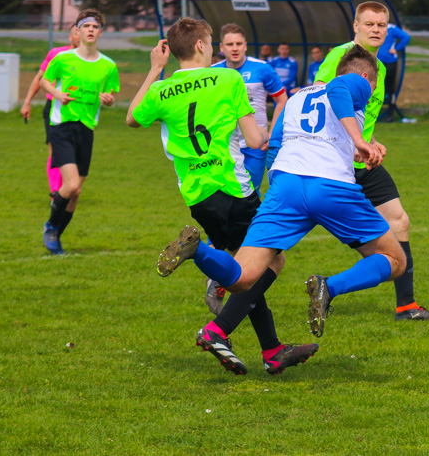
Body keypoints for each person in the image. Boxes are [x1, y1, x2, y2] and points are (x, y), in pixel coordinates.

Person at [155, 45, 407, 351]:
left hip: (285, 185)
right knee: (395, 260)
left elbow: (274, 143)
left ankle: (199, 251)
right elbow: (341, 88)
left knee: (243, 278)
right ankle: (330, 286)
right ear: (367, 77)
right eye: (373, 85)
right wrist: (358, 141)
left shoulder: (298, 96)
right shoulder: (354, 82)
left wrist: (278, 183)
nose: (372, 91)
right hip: (329, 185)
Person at [127, 18, 317, 376]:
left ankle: (272, 350)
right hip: (234, 187)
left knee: (246, 270)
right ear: (200, 45)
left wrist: (155, 70)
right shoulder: (228, 78)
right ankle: (215, 320)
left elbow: (132, 119)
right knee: (271, 264)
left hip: (197, 196)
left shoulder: (162, 90)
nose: (214, 47)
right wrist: (267, 131)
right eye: (211, 41)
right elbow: (255, 138)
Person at [315, 1, 429, 321]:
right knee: (285, 237)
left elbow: (358, 114)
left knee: (399, 221)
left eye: (382, 25)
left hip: (363, 162)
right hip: (332, 164)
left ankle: (407, 306)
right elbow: (318, 99)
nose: (376, 30)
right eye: (370, 24)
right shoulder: (340, 56)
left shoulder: (380, 67)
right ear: (356, 27)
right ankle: (232, 279)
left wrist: (369, 142)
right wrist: (353, 142)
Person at [39, 9, 120, 255]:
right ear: (78, 31)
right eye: (86, 26)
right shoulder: (63, 59)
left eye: (95, 27)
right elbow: (44, 80)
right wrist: (58, 94)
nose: (90, 30)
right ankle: (51, 226)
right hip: (61, 126)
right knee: (71, 185)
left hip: (86, 129)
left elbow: (110, 97)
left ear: (100, 32)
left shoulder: (108, 66)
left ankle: (56, 236)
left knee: (76, 193)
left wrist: (108, 101)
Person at [213, 24, 287, 191]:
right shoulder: (212, 72)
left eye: (239, 44)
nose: (235, 48)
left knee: (250, 192)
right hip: (223, 146)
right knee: (225, 193)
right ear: (221, 47)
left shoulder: (262, 68)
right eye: (230, 44)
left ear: (245, 45)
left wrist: (271, 134)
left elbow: (282, 100)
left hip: (254, 145)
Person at [20, 25, 81, 197]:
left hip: (80, 111)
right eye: (76, 32)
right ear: (70, 36)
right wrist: (27, 102)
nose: (79, 35)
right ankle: (56, 191)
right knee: (55, 150)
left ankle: (68, 187)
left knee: (75, 152)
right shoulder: (56, 54)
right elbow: (40, 79)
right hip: (54, 108)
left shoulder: (91, 60)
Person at [376, 22, 410, 119]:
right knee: (374, 86)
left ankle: (390, 114)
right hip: (376, 62)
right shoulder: (374, 27)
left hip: (390, 62)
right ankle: (372, 113)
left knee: (390, 88)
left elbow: (406, 37)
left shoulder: (392, 28)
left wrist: (397, 49)